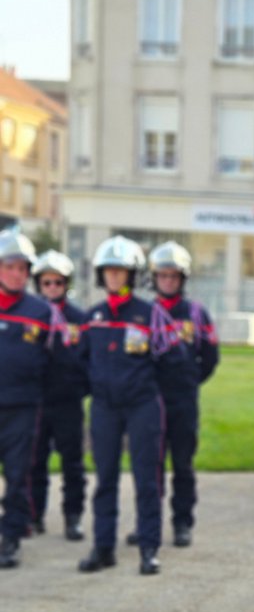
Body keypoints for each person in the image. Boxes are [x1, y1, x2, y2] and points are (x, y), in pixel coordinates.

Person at [79, 235, 164, 576]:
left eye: (121, 270)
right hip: (104, 408)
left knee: (146, 479)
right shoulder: (93, 317)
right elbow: (80, 362)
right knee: (105, 479)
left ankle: (149, 548)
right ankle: (103, 548)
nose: (114, 276)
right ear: (101, 275)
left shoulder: (150, 314)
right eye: (108, 270)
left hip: (142, 405)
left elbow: (170, 361)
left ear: (133, 274)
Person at [129, 241, 219, 548]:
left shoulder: (196, 313)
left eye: (174, 276)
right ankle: (147, 523)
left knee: (182, 464)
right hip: (149, 401)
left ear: (183, 278)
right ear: (154, 278)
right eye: (162, 275)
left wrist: (189, 380)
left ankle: (182, 523)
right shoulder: (142, 313)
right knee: (149, 466)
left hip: (183, 401)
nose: (168, 281)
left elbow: (210, 357)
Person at [30, 249, 90, 541]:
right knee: (34, 461)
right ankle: (34, 515)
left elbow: (90, 360)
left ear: (66, 284)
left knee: (72, 463)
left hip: (68, 402)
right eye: (46, 282)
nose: (52, 287)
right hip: (36, 401)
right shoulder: (30, 315)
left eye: (58, 282)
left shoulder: (79, 318)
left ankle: (73, 517)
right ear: (38, 284)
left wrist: (79, 388)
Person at [0, 230, 50, 569]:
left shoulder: (40, 311)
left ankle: (11, 538)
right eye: (10, 267)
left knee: (18, 475)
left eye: (22, 269)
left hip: (22, 407)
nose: (16, 274)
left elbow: (55, 360)